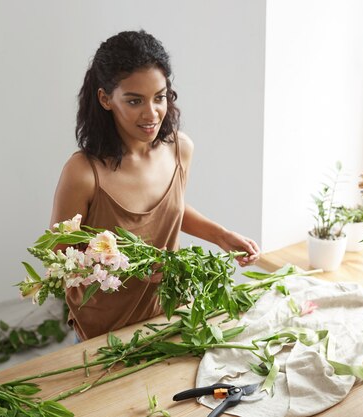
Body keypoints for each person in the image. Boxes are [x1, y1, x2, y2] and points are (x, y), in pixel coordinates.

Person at [51, 30, 260, 341]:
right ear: (105, 98)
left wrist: (221, 236)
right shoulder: (82, 173)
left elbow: (169, 210)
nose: (152, 114)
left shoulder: (180, 149)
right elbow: (60, 261)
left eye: (159, 97)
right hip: (104, 330)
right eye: (135, 101)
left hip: (168, 311)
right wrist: (132, 268)